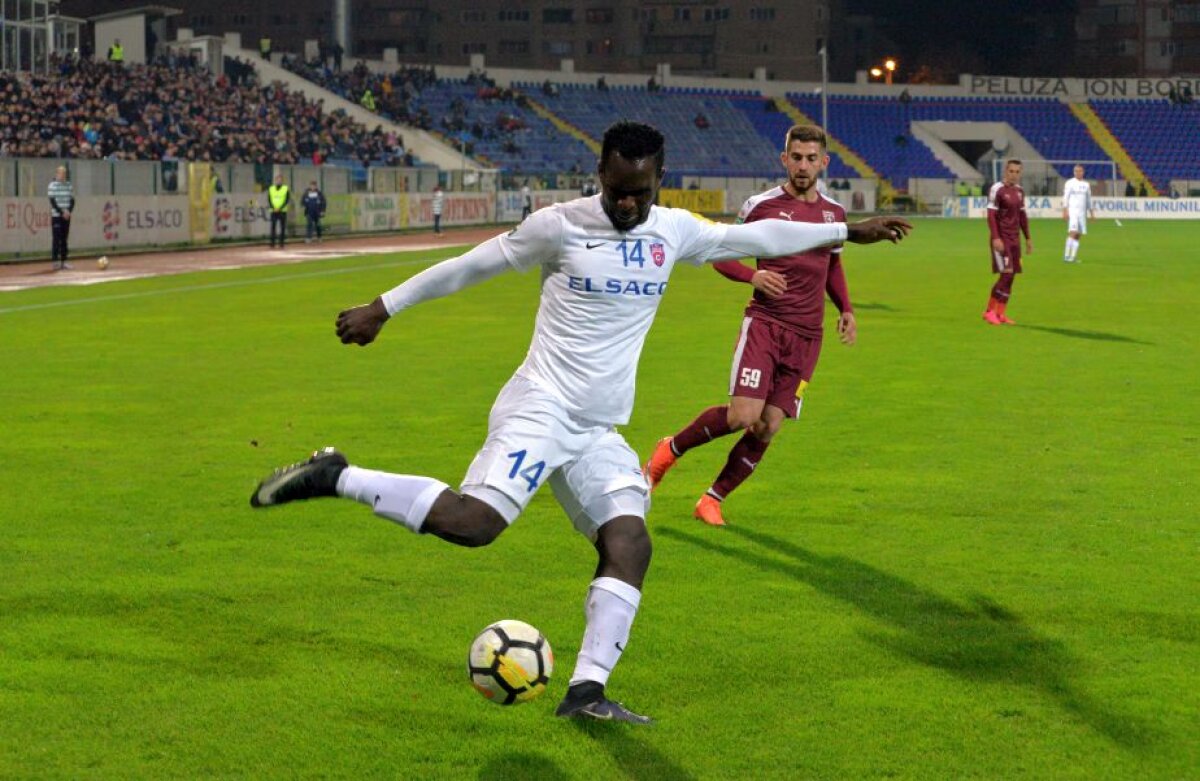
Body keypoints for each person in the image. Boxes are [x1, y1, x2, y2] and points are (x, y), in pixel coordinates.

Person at [248, 120, 912, 725]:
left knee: (630, 542)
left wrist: (846, 230)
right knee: (475, 525)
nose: (628, 205)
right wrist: (382, 307)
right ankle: (339, 475)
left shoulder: (673, 230)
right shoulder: (558, 225)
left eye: (641, 193)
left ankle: (586, 692)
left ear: (658, 183)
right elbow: (469, 266)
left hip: (597, 428)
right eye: (618, 191)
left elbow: (758, 237)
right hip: (540, 406)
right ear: (600, 178)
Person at [644, 124, 855, 527]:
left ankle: (712, 499)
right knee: (743, 415)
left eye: (812, 159)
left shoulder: (835, 214)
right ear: (784, 159)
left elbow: (834, 263)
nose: (803, 166)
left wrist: (845, 307)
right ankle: (668, 450)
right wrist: (752, 277)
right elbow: (720, 254)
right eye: (796, 157)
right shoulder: (761, 206)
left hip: (809, 336)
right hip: (766, 324)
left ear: (824, 162)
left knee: (769, 424)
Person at [983, 159, 1031, 326]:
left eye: (1017, 172)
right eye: (1011, 171)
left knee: (1011, 277)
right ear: (1006, 171)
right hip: (1001, 238)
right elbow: (991, 215)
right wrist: (996, 237)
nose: (1014, 175)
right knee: (1006, 274)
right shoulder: (997, 189)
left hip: (1015, 239)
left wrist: (1028, 238)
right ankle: (989, 311)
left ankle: (1001, 313)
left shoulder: (1020, 191)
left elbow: (1022, 217)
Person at [1061, 164, 1095, 263]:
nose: (1078, 173)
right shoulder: (1069, 183)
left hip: (1082, 213)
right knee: (1073, 232)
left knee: (1078, 235)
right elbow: (1065, 197)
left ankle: (1073, 257)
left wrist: (1092, 213)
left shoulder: (1086, 184)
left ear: (1083, 172)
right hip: (1073, 212)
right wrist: (1065, 211)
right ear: (1074, 172)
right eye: (1076, 171)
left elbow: (1089, 200)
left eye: (1080, 171)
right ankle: (1066, 256)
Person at [48, 165, 75, 270]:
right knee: (56, 238)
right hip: (56, 216)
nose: (63, 175)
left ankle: (64, 261)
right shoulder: (52, 185)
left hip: (66, 216)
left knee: (64, 239)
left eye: (64, 174)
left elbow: (72, 200)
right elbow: (52, 201)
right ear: (57, 174)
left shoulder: (69, 185)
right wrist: (62, 212)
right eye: (61, 173)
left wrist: (68, 211)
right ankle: (55, 261)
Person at [268, 173, 290, 248]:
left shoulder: (285, 188)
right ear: (275, 180)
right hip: (273, 211)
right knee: (273, 227)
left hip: (282, 211)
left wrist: (279, 208)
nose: (279, 181)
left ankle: (281, 244)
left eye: (280, 180)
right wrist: (274, 208)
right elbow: (269, 199)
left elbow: (287, 200)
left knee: (282, 227)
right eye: (277, 180)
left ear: (282, 181)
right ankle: (272, 243)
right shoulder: (271, 188)